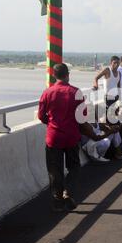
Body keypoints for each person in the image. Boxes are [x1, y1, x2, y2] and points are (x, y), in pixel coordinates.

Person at [38, 63, 85, 212]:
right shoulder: (76, 92)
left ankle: (57, 201)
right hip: (71, 136)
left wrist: (51, 123)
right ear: (68, 74)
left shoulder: (47, 93)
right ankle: (68, 192)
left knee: (54, 170)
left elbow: (41, 115)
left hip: (54, 137)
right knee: (75, 166)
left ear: (54, 75)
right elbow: (82, 117)